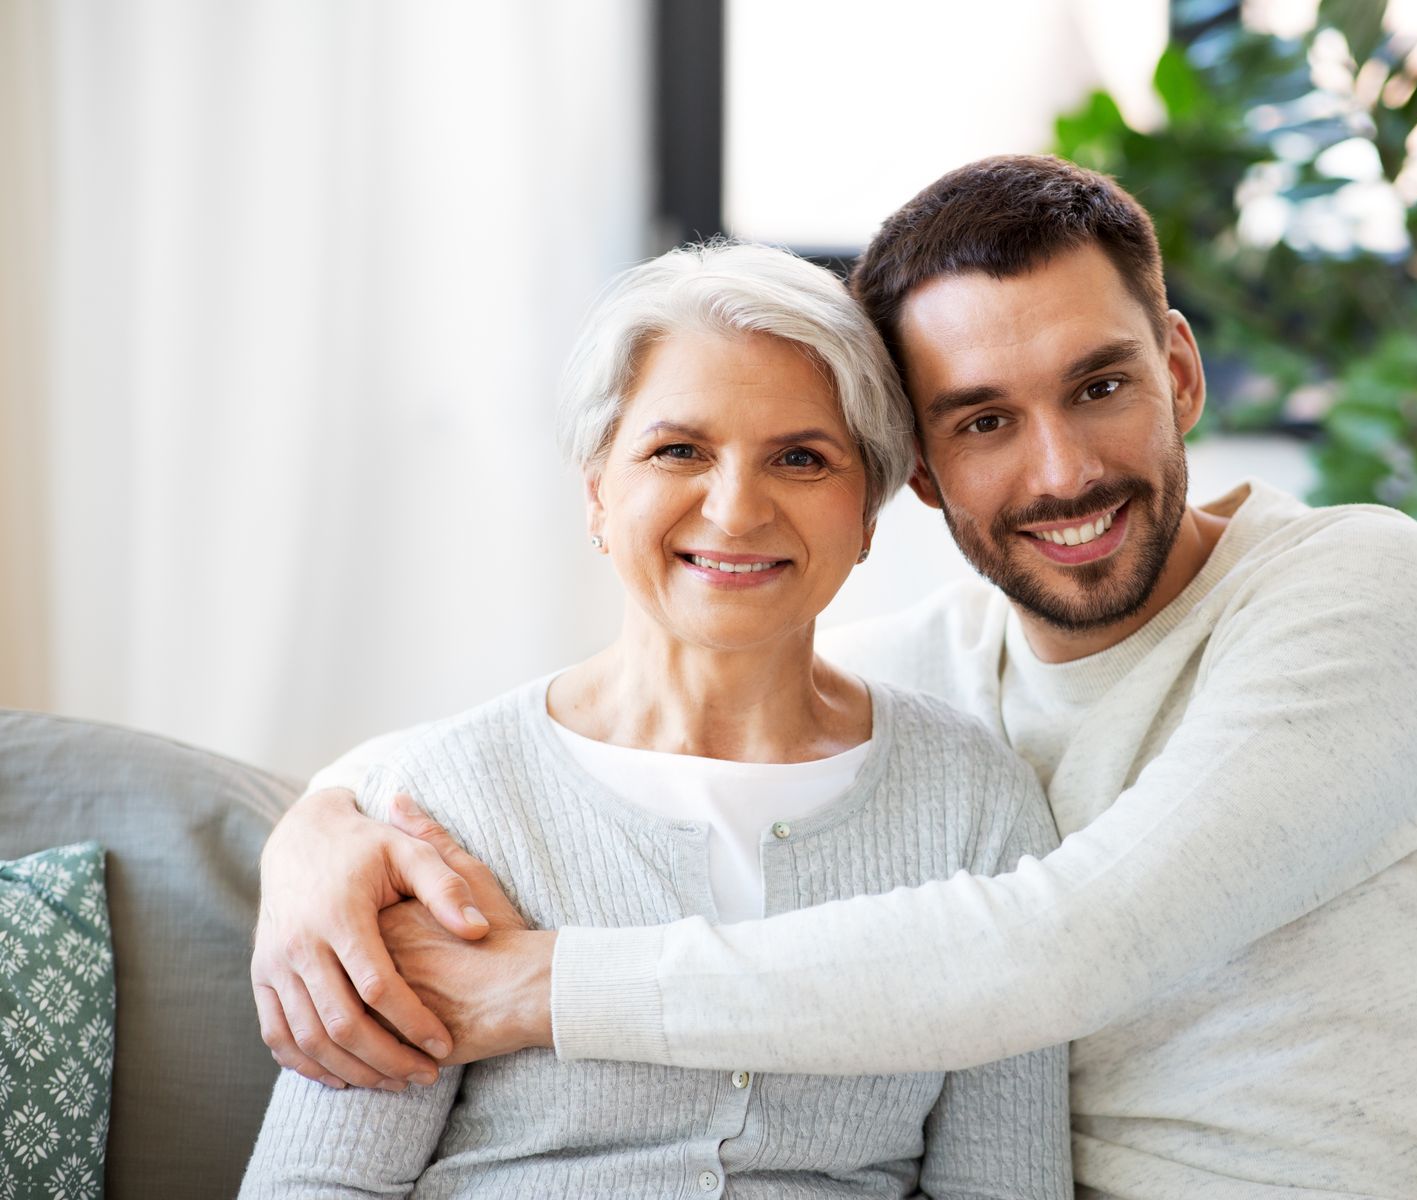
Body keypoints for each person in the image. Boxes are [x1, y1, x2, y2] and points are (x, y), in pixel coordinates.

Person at [255, 156, 1417, 1198]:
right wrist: (321, 832)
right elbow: (595, 740)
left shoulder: (1362, 589)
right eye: (984, 421)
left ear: (1180, 373)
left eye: (1100, 386)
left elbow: (1075, 942)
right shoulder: (940, 680)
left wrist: (543, 988)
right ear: (919, 474)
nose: (1062, 471)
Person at [238, 241, 1072, 1197]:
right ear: (598, 488)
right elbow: (318, 1184)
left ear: (871, 512)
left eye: (801, 458)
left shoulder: (974, 806)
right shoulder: (440, 811)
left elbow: (1006, 1183)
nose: (735, 508)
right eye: (679, 450)